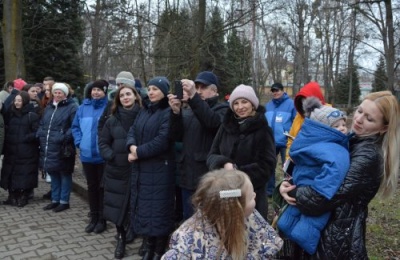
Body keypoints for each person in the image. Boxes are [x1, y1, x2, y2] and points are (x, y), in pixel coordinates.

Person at [279, 90, 400, 259]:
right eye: (359, 111)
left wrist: (291, 192)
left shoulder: (368, 156)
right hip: (322, 232)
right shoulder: (349, 139)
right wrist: (287, 184)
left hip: (335, 242)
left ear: (384, 127)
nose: (358, 119)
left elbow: (320, 198)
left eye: (369, 118)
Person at [277, 97, 349, 255]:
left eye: (344, 124)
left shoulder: (309, 141)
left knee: (291, 214)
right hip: (316, 187)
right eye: (336, 126)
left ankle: (286, 227)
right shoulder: (336, 148)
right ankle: (304, 240)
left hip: (300, 183)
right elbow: (336, 169)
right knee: (312, 222)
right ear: (324, 129)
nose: (343, 129)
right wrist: (321, 191)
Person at [162, 169, 283, 259]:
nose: (255, 196)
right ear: (236, 208)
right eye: (251, 196)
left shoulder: (252, 218)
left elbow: (268, 245)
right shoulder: (189, 238)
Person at [207, 84, 276, 220]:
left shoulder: (263, 130)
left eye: (244, 102)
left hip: (251, 196)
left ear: (253, 104)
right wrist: (224, 163)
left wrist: (237, 173)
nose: (240, 107)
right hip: (224, 193)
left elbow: (267, 166)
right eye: (236, 103)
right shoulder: (225, 127)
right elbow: (211, 156)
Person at [168, 71, 228, 220]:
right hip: (187, 177)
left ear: (214, 91)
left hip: (208, 178)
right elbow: (176, 136)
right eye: (197, 87)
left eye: (203, 87)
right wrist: (175, 112)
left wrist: (194, 96)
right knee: (189, 219)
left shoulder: (222, 109)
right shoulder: (189, 111)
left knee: (208, 221)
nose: (199, 91)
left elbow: (211, 122)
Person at [126, 76, 175, 260]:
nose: (151, 92)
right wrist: (131, 147)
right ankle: (148, 244)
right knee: (145, 207)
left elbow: (162, 141)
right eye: (150, 88)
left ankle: (158, 248)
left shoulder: (168, 111)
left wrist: (138, 152)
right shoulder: (144, 109)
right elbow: (132, 131)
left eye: (156, 89)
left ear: (164, 92)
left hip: (159, 169)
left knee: (159, 208)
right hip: (142, 168)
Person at [98, 85, 142, 259]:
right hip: (116, 169)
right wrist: (111, 156)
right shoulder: (112, 120)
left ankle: (136, 233)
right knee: (117, 207)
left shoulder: (143, 116)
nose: (125, 97)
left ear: (135, 96)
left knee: (137, 205)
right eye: (122, 95)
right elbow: (103, 142)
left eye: (128, 94)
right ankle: (121, 239)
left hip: (139, 168)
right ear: (118, 99)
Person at [72, 79, 109, 233]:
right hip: (87, 155)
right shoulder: (82, 108)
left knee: (102, 188)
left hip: (103, 157)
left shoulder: (110, 107)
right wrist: (79, 142)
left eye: (99, 90)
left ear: (105, 92)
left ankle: (102, 219)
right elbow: (75, 127)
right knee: (92, 188)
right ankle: (93, 216)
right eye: (94, 90)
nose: (96, 92)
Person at [38, 83, 78, 212]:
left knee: (64, 174)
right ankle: (55, 200)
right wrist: (40, 134)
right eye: (55, 92)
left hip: (63, 147)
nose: (57, 94)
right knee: (53, 173)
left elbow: (74, 126)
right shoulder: (49, 107)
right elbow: (42, 123)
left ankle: (64, 201)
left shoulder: (72, 107)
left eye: (60, 92)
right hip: (49, 145)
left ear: (65, 94)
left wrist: (63, 137)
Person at [0, 91, 40, 207]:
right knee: (10, 173)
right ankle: (12, 196)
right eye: (16, 100)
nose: (17, 103)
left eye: (19, 100)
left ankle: (23, 196)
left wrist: (26, 138)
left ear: (25, 101)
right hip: (11, 150)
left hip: (26, 151)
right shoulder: (10, 114)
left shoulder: (31, 115)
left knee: (24, 174)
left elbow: (37, 132)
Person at [265, 82, 296, 196]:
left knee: (287, 168)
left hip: (286, 142)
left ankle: (288, 190)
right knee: (269, 166)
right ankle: (270, 191)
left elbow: (295, 122)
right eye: (273, 91)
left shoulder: (291, 105)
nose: (275, 93)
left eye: (277, 90)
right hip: (271, 141)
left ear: (283, 91)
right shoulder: (268, 106)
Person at [285, 81, 326, 159]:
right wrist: (288, 158)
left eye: (307, 100)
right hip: (296, 162)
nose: (304, 104)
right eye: (302, 101)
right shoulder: (299, 117)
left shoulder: (329, 116)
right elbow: (291, 141)